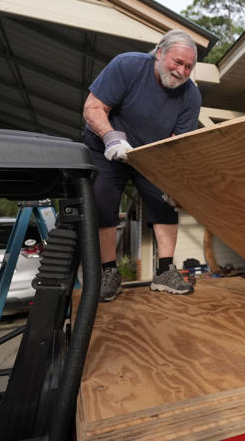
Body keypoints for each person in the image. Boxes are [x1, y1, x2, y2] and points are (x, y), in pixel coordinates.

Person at [82, 29, 201, 302]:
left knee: (166, 202)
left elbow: (175, 144)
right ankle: (109, 273)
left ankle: (164, 272)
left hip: (151, 154)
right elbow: (93, 107)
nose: (182, 71)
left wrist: (175, 182)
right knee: (102, 201)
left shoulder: (191, 97)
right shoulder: (128, 65)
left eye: (188, 67)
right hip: (106, 146)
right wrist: (111, 137)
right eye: (177, 62)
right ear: (159, 53)